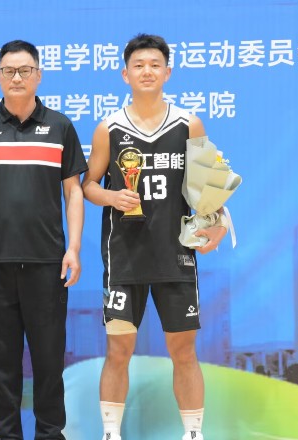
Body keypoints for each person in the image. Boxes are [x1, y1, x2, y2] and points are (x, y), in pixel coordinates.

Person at [81, 34, 229, 440]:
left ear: (167, 72)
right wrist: (111, 195)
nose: (146, 71)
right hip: (123, 256)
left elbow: (208, 186)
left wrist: (216, 223)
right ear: (124, 74)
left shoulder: (188, 124)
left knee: (183, 351)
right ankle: (111, 433)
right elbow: (87, 184)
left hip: (174, 254)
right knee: (118, 350)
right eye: (138, 65)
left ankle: (193, 433)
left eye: (154, 64)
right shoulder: (108, 128)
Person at [0, 40, 87, 440]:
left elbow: (74, 192)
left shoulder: (60, 127)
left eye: (25, 70)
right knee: (1, 363)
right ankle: (7, 435)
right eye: (8, 71)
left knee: (49, 361)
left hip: (47, 263)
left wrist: (73, 248)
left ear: (38, 75)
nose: (17, 77)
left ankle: (50, 434)